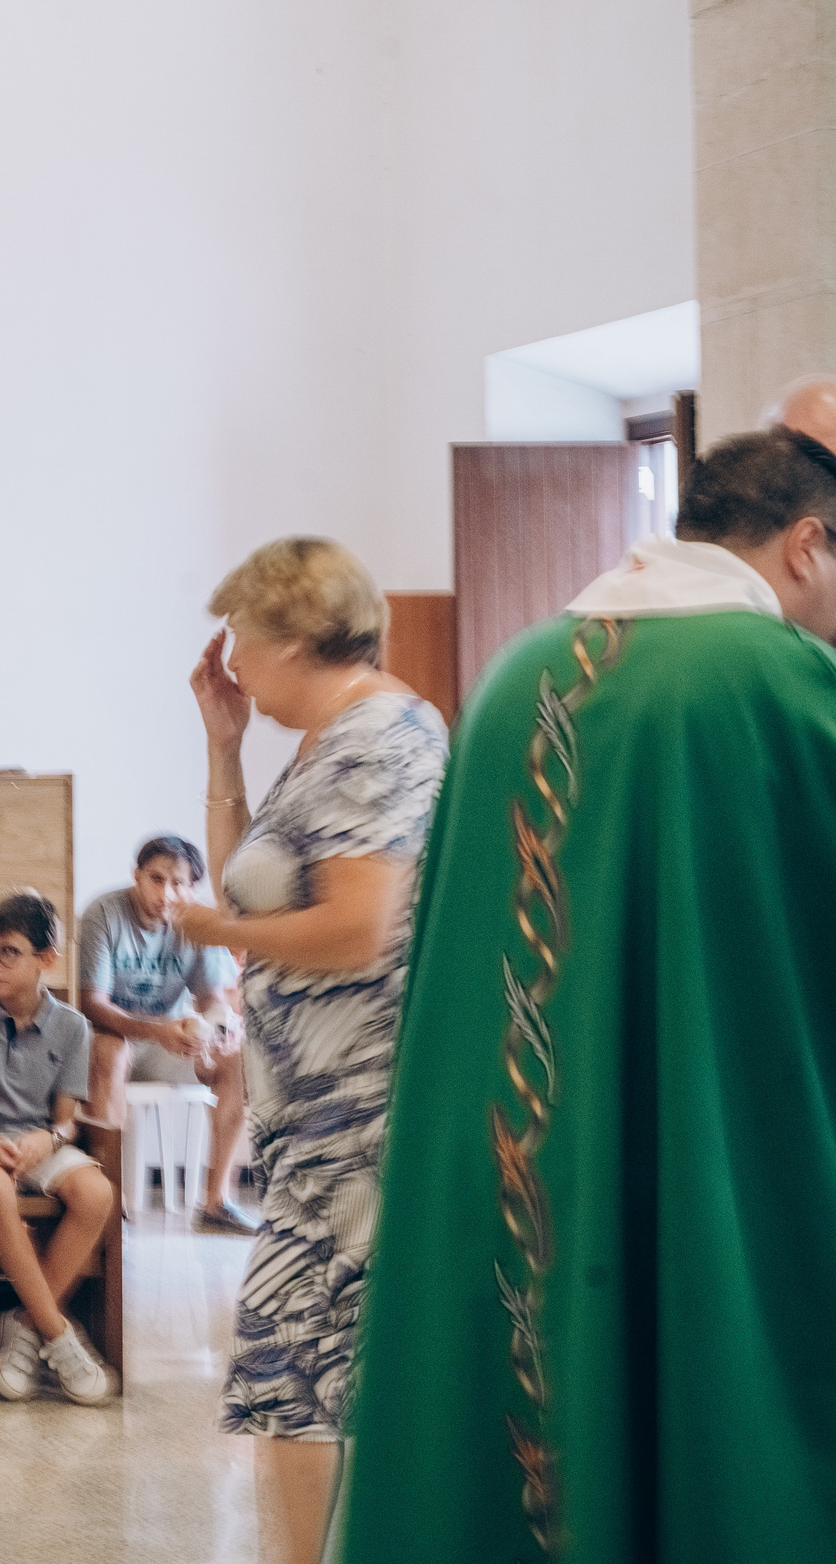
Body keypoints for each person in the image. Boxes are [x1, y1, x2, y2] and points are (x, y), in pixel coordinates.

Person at [340, 425, 836, 1564]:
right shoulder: (770, 679)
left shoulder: (518, 668)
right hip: (690, 1152)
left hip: (507, 1165)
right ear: (806, 545)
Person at [175, 536, 446, 1564]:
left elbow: (356, 930)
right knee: (314, 1366)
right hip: (312, 1119)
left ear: (296, 636)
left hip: (362, 1113)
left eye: (243, 635)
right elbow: (251, 877)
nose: (230, 657)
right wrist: (221, 745)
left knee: (290, 1357)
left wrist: (219, 938)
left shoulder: (377, 738)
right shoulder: (325, 738)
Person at [0, 891, 115, 1407]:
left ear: (46, 959)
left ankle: (24, 1326)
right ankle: (59, 1336)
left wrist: (47, 1139)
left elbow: (66, 1122)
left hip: (40, 1142)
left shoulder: (73, 1026)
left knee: (96, 1192)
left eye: (7, 951)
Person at [76, 835, 252, 1232]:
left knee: (237, 1059)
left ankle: (216, 1202)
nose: (165, 893)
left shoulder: (196, 923)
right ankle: (109, 1201)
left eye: (177, 884)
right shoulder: (104, 913)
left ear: (191, 889)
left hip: (170, 1042)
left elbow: (211, 998)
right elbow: (93, 1005)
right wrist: (157, 1031)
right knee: (111, 1051)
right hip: (115, 1038)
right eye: (155, 879)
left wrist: (221, 1027)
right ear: (136, 876)